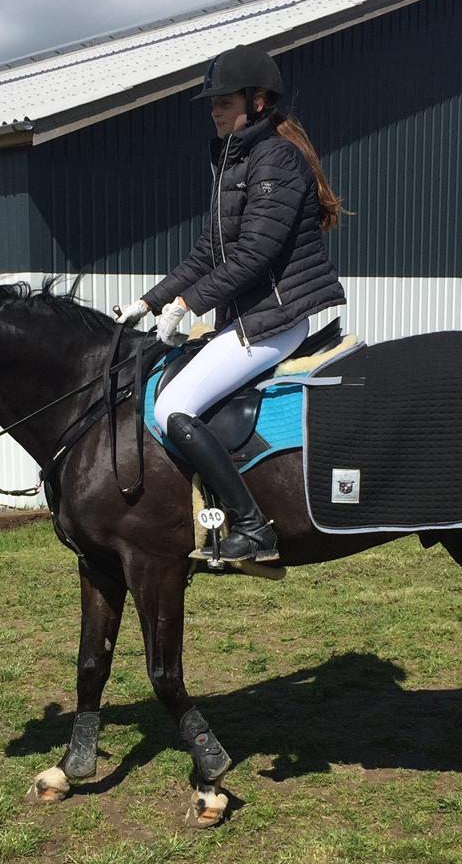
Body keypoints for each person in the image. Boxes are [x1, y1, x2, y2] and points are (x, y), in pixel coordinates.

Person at [120, 45, 347, 563]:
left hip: (273, 320)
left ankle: (252, 527)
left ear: (260, 101)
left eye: (224, 100)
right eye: (212, 102)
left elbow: (256, 254)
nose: (214, 110)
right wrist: (148, 301)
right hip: (245, 319)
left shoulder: (276, 160)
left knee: (173, 406)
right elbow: (208, 253)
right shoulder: (234, 160)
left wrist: (187, 303)